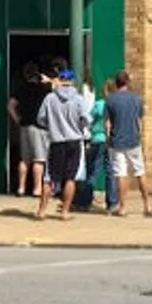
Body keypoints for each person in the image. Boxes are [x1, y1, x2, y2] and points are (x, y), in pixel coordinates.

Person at [35, 67, 91, 221]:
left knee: (49, 178)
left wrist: (51, 126)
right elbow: (87, 119)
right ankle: (65, 212)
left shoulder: (50, 98)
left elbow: (40, 119)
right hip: (74, 141)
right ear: (72, 81)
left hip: (56, 141)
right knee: (70, 178)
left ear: (60, 79)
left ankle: (42, 211)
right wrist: (79, 126)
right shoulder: (79, 99)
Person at [105, 70, 152, 217]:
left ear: (116, 83)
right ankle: (147, 205)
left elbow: (108, 124)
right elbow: (139, 120)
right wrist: (139, 134)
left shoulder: (110, 100)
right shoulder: (136, 98)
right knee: (140, 172)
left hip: (116, 141)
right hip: (133, 140)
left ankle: (122, 207)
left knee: (121, 173)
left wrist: (109, 138)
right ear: (127, 82)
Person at [8, 62, 51, 197]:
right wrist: (48, 80)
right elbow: (59, 87)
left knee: (24, 159)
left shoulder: (21, 89)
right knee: (38, 159)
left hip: (24, 126)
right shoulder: (43, 89)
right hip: (38, 127)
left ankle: (21, 188)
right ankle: (37, 189)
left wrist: (18, 120)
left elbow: (10, 105)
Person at [75, 76, 110, 211]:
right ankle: (112, 202)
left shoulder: (99, 104)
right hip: (110, 141)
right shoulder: (113, 104)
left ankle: (84, 201)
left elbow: (88, 118)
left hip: (97, 139)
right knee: (110, 172)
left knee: (92, 172)